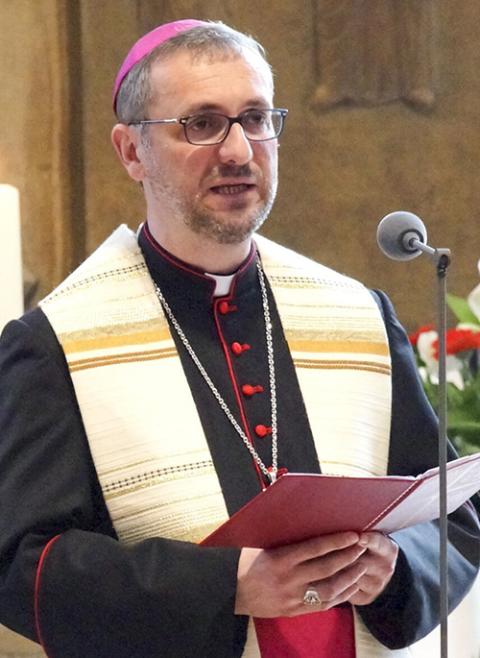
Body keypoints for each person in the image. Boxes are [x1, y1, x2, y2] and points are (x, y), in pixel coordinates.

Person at [0, 19, 478, 658]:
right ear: (131, 152)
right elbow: (21, 565)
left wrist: (394, 568)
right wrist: (224, 586)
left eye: (255, 118)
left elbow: (452, 518)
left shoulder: (358, 315)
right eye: (201, 123)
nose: (237, 150)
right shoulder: (56, 342)